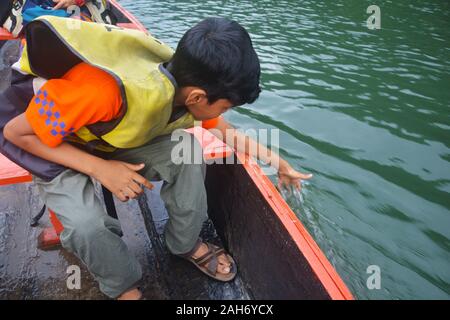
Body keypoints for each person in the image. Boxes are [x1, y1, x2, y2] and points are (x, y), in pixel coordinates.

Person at [2, 16, 312, 300]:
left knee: (188, 151)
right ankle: (123, 287)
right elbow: (16, 133)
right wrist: (101, 169)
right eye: (225, 106)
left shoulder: (185, 86)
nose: (223, 114)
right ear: (198, 98)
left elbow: (225, 132)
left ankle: (184, 243)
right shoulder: (100, 91)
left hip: (107, 138)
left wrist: (278, 162)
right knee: (86, 226)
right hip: (54, 144)